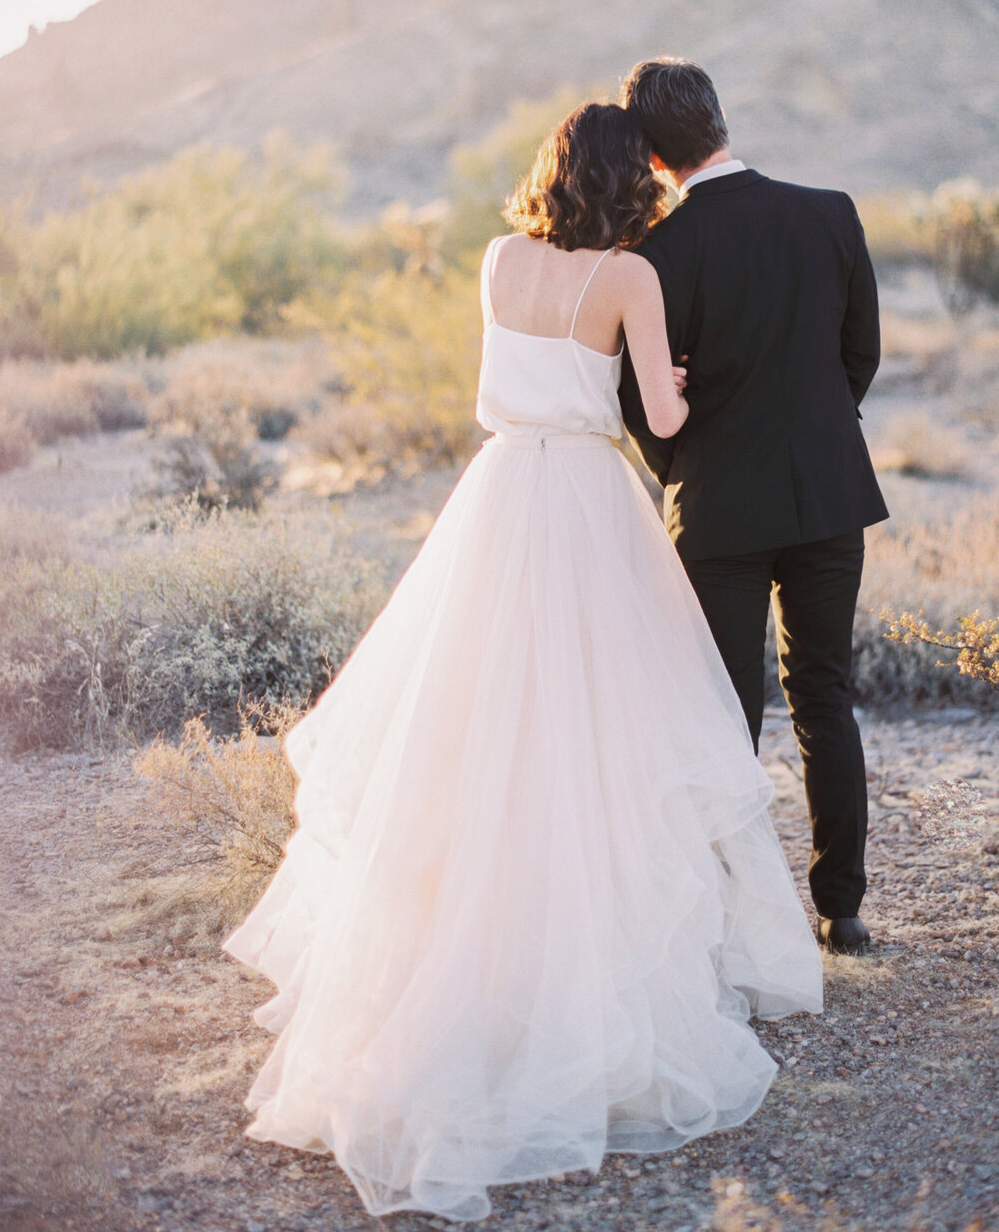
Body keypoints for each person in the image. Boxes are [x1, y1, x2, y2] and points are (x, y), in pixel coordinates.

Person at [224, 101, 822, 1223]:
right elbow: (658, 410)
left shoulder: (501, 259)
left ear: (552, 170)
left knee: (469, 725)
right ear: (634, 180)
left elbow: (494, 385)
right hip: (590, 506)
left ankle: (464, 961)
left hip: (498, 498)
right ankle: (580, 962)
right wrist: (688, 380)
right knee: (599, 730)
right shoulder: (631, 279)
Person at [618, 59, 889, 957]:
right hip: (826, 498)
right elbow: (862, 355)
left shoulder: (657, 254)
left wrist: (683, 464)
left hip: (718, 513)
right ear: (720, 122)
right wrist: (813, 431)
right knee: (825, 697)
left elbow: (634, 401)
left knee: (724, 713)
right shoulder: (830, 213)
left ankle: (732, 920)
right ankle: (841, 909)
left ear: (654, 157)